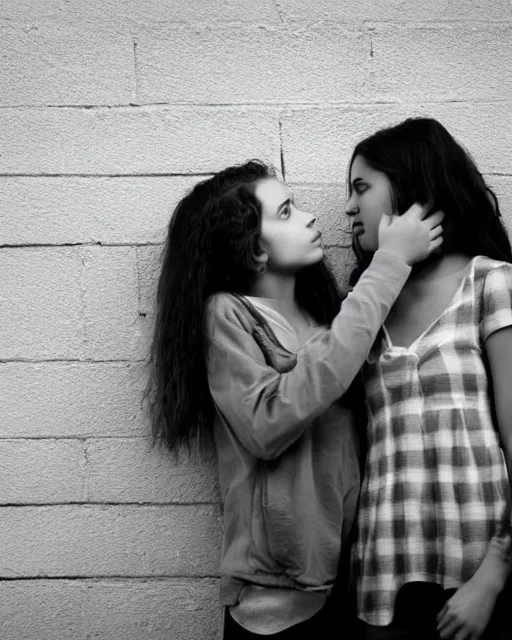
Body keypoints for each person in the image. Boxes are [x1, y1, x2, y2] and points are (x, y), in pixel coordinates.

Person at [144, 159, 443, 638]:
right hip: (275, 601)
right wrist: (390, 264)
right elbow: (267, 423)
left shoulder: (325, 321)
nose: (307, 217)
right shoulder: (229, 316)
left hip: (349, 582)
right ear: (256, 251)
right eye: (285, 212)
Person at [345, 117, 512, 640]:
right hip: (384, 577)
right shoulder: (365, 306)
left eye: (361, 187)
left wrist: (495, 574)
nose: (349, 207)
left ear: (408, 183)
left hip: (480, 575)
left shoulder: (490, 281)